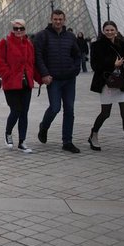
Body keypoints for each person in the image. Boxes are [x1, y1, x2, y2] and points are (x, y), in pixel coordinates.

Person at [88, 21, 124, 160]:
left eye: (112, 29)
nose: (109, 32)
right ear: (103, 31)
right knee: (105, 113)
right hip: (107, 83)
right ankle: (93, 134)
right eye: (106, 30)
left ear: (116, 30)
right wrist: (112, 64)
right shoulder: (96, 45)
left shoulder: (121, 44)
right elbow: (95, 66)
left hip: (122, 83)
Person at [35, 10, 83, 153]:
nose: (58, 22)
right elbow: (38, 56)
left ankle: (67, 141)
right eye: (55, 19)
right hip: (53, 79)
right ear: (51, 19)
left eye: (60, 19)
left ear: (64, 19)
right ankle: (44, 126)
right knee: (55, 108)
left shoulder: (70, 36)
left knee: (69, 109)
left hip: (69, 79)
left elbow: (77, 55)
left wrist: (75, 69)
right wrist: (44, 74)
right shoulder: (42, 35)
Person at [0, 19, 37, 153]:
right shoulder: (4, 42)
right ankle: (8, 133)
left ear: (25, 29)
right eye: (16, 28)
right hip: (11, 84)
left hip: (26, 84)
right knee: (16, 110)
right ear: (12, 29)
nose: (18, 31)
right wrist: (8, 74)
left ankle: (22, 141)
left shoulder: (29, 44)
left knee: (24, 113)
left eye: (21, 28)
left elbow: (32, 64)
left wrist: (40, 79)